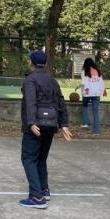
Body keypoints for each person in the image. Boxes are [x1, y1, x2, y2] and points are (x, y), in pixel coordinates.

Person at [19, 50, 73, 209]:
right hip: (50, 124)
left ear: (32, 63)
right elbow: (61, 102)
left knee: (28, 158)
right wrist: (63, 124)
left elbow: (30, 102)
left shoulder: (30, 80)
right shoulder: (52, 80)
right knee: (41, 158)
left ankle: (37, 197)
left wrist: (31, 122)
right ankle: (44, 189)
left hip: (35, 125)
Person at [78, 58, 106, 134]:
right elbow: (101, 82)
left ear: (85, 64)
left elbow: (83, 83)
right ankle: (96, 131)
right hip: (96, 93)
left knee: (84, 106)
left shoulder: (84, 71)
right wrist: (103, 90)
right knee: (95, 112)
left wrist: (78, 86)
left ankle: (85, 123)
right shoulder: (98, 71)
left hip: (87, 93)